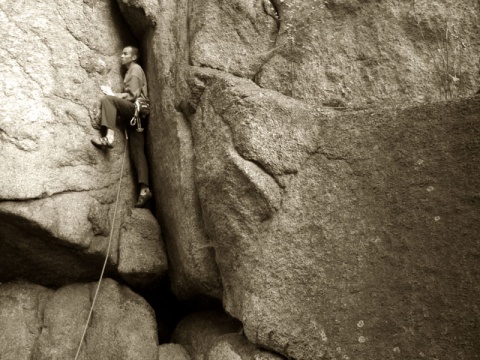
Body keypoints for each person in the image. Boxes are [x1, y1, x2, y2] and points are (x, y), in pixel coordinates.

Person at [91, 46, 152, 208]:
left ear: (133, 57)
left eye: (125, 54)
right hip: (138, 117)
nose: (121, 56)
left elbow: (132, 95)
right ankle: (144, 189)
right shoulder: (130, 71)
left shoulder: (135, 69)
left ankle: (109, 137)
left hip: (136, 110)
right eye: (122, 53)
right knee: (137, 151)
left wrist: (113, 95)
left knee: (107, 100)